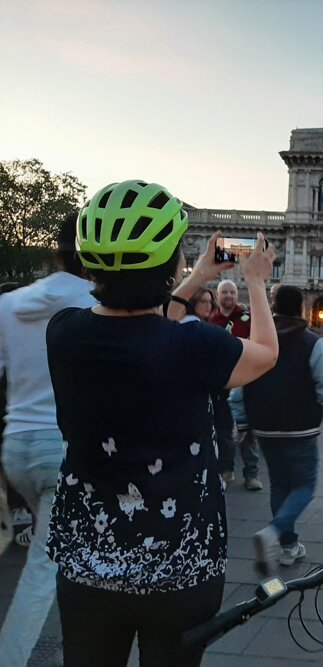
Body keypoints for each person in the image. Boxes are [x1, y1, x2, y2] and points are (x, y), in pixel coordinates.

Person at [44, 180, 278, 666]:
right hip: (179, 568)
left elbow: (145, 325)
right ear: (170, 264)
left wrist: (194, 278)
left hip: (88, 565)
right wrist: (255, 280)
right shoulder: (194, 348)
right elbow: (265, 354)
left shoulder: (63, 333)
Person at [0, 213, 96, 666]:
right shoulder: (96, 303)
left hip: (16, 445)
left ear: (55, 252)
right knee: (42, 568)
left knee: (56, 543)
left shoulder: (10, 303)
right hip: (61, 449)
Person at [244, 286, 323, 573]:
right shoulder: (313, 342)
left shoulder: (259, 340)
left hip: (264, 426)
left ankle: (288, 546)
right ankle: (273, 533)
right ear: (301, 309)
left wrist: (242, 421)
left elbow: (241, 384)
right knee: (304, 486)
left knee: (280, 485)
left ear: (273, 308)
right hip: (300, 427)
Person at [209, 280, 262, 490]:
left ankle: (251, 473)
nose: (229, 295)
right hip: (220, 383)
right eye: (225, 292)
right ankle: (226, 469)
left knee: (248, 430)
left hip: (245, 381)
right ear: (218, 295)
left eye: (232, 292)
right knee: (222, 429)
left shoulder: (246, 318)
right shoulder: (212, 319)